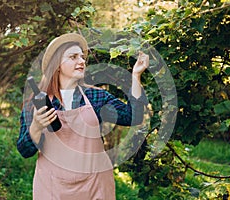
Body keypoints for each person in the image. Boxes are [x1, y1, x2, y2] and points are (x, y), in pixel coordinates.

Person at [17, 33, 149, 200]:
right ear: (57, 65)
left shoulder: (96, 97)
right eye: (73, 57)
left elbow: (133, 117)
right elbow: (24, 150)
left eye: (82, 57)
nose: (81, 61)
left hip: (96, 185)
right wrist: (36, 126)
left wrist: (136, 76)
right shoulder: (35, 104)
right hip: (52, 187)